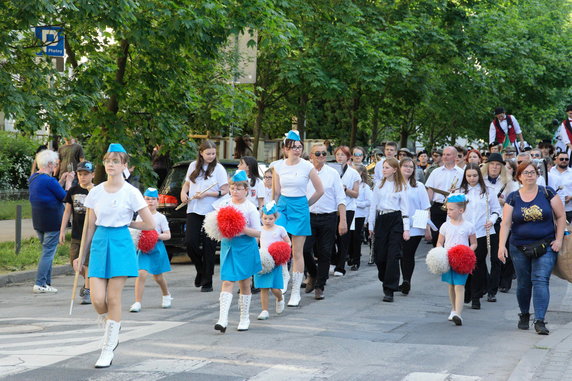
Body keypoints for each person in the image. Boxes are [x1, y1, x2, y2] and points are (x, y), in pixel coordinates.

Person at [81, 143, 155, 368]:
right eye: (108, 161)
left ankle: (108, 347)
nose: (111, 165)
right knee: (96, 300)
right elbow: (89, 225)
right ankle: (114, 323)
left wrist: (128, 222)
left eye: (115, 161)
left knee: (113, 299)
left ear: (124, 165)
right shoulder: (95, 191)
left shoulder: (131, 192)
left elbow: (150, 223)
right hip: (100, 243)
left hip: (121, 243)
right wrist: (81, 255)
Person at [498, 161, 565, 335]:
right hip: (518, 246)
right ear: (519, 177)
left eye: (532, 172)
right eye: (525, 173)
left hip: (546, 244)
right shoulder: (513, 197)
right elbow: (505, 224)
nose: (529, 175)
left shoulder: (547, 193)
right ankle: (525, 314)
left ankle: (540, 320)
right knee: (523, 283)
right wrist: (501, 247)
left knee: (541, 280)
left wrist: (558, 240)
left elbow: (560, 215)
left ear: (537, 175)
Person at [273, 130, 324, 307]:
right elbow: (277, 191)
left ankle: (295, 292)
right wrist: (271, 208)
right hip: (282, 207)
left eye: (299, 147)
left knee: (297, 251)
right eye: (293, 147)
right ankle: (283, 275)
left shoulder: (307, 166)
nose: (297, 150)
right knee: (279, 244)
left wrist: (306, 206)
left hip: (300, 205)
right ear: (285, 148)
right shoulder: (277, 166)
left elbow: (320, 190)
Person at [214, 171, 262, 333]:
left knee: (244, 283)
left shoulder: (250, 208)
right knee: (227, 281)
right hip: (229, 245)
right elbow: (215, 222)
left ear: (246, 190)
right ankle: (223, 318)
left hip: (245, 246)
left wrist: (242, 228)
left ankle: (244, 317)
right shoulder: (224, 204)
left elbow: (258, 232)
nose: (235, 191)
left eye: (239, 188)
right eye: (233, 187)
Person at [181, 140, 229, 292]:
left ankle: (207, 281)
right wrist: (183, 193)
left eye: (213, 154)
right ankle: (201, 269)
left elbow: (225, 190)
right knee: (190, 242)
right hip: (194, 209)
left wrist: (208, 193)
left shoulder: (219, 169)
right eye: (208, 154)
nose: (211, 156)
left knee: (209, 246)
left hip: (212, 210)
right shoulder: (193, 166)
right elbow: (187, 184)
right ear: (201, 153)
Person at [303, 144, 346, 300]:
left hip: (328, 217)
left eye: (324, 153)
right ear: (311, 155)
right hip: (308, 216)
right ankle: (313, 274)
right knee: (305, 249)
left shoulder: (333, 173)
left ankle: (320, 286)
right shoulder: (305, 171)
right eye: (318, 153)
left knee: (325, 251)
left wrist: (343, 220)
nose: (321, 156)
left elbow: (341, 197)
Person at [459, 163, 502, 309]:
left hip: (482, 232)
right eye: (469, 176)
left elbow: (497, 210)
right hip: (463, 233)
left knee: (477, 263)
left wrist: (492, 220)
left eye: (475, 175)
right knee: (465, 263)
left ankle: (476, 296)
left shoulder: (488, 191)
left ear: (479, 176)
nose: (472, 179)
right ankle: (467, 291)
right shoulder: (459, 192)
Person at [368, 158, 410, 302]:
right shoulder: (379, 185)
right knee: (380, 256)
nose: (384, 170)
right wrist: (371, 225)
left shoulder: (401, 186)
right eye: (383, 167)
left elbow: (405, 209)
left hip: (395, 219)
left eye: (387, 167)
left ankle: (389, 289)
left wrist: (406, 229)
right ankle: (384, 276)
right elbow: (373, 205)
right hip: (381, 219)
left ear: (394, 169)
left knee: (393, 254)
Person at [29, 150, 68, 294]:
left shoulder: (34, 178)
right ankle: (40, 283)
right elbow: (65, 197)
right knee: (48, 253)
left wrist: (61, 180)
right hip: (53, 221)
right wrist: (68, 182)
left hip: (39, 221)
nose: (56, 167)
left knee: (47, 252)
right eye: (56, 164)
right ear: (50, 164)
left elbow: (50, 190)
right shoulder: (49, 181)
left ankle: (46, 282)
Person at [129, 188, 173, 313]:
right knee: (141, 273)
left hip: (157, 248)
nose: (150, 201)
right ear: (143, 200)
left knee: (158, 277)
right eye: (148, 199)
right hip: (143, 249)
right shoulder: (140, 217)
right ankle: (137, 302)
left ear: (158, 201)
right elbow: (136, 233)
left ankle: (166, 295)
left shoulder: (161, 217)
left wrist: (156, 236)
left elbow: (167, 235)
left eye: (153, 199)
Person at [436, 193, 478, 326]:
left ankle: (458, 314)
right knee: (451, 285)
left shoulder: (468, 226)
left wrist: (468, 252)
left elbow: (474, 243)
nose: (448, 212)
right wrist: (441, 252)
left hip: (462, 261)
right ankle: (453, 309)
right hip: (448, 259)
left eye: (451, 209)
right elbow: (439, 243)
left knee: (459, 285)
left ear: (461, 210)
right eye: (447, 209)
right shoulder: (445, 226)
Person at [59, 161, 94, 303]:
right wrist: (62, 230)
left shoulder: (95, 191)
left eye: (86, 174)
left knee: (85, 263)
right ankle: (92, 283)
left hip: (90, 235)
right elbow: (67, 211)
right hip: (76, 234)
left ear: (93, 175)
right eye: (80, 174)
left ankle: (87, 290)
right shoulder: (73, 191)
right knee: (76, 264)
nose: (82, 177)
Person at [399, 157, 431, 295]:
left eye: (411, 167)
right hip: (397, 224)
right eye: (405, 166)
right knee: (398, 254)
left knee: (408, 254)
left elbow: (425, 208)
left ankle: (406, 280)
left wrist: (427, 229)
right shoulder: (394, 185)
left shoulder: (419, 186)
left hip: (415, 226)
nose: (408, 169)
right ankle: (395, 280)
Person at [254, 201, 290, 320]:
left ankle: (279, 298)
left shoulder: (280, 229)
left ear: (275, 218)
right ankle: (264, 310)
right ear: (261, 218)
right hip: (263, 261)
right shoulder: (259, 230)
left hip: (275, 261)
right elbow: (256, 243)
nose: (267, 221)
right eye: (265, 218)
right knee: (263, 287)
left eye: (270, 218)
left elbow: (288, 242)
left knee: (274, 288)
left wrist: (284, 251)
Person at [425, 146, 465, 246]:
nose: (445, 157)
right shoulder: (435, 172)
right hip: (438, 207)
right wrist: (427, 209)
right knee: (436, 237)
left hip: (455, 208)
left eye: (448, 155)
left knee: (452, 238)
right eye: (443, 154)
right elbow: (430, 191)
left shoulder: (462, 173)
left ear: (455, 156)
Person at [332, 146, 360, 276]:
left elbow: (355, 194)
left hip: (348, 208)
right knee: (331, 236)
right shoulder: (330, 171)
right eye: (337, 155)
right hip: (332, 208)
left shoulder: (353, 173)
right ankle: (333, 261)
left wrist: (344, 189)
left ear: (348, 157)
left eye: (342, 155)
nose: (339, 157)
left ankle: (340, 266)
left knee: (343, 236)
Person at [348, 165, 372, 271]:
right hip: (350, 213)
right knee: (348, 237)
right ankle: (350, 256)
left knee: (356, 238)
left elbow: (369, 202)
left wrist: (357, 203)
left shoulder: (364, 187)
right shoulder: (349, 185)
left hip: (359, 215)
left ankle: (356, 261)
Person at [549, 151, 572, 222]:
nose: (564, 161)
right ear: (556, 160)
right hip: (552, 208)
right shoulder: (550, 171)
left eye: (566, 159)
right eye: (561, 159)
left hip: (569, 209)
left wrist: (571, 197)